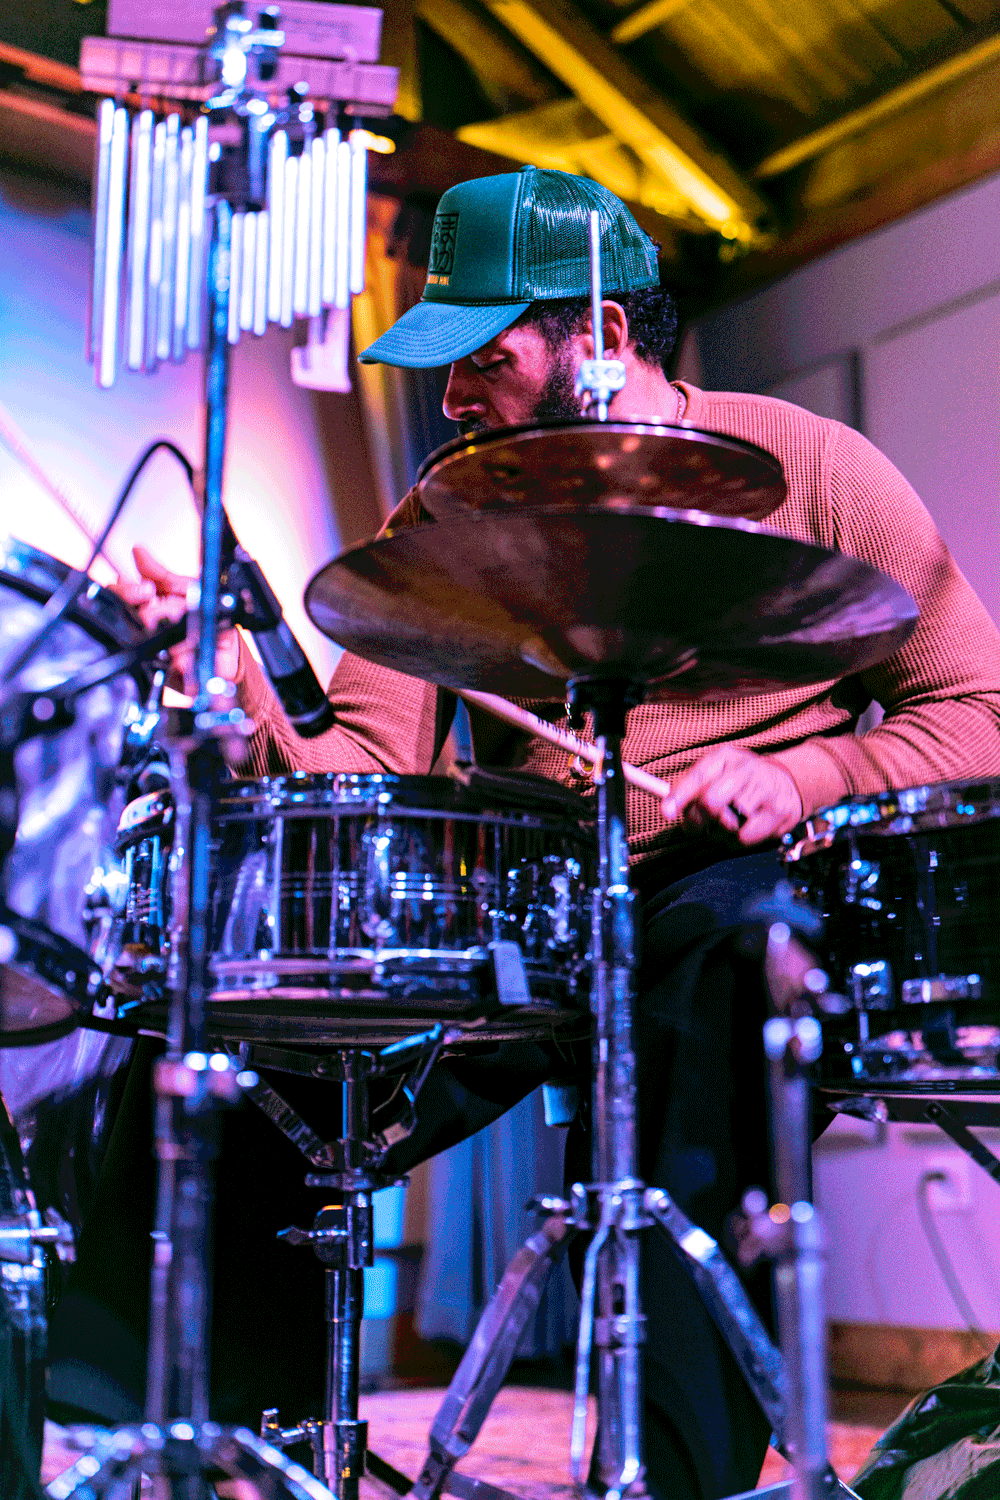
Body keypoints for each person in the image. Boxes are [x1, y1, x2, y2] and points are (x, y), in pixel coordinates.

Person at [50, 168, 1000, 1498]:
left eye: (483, 358)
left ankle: (670, 1476)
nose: (451, 398)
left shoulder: (816, 470)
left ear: (601, 336)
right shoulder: (448, 510)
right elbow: (365, 764)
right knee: (247, 1049)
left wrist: (814, 774)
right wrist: (242, 700)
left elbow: (979, 710)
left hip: (736, 892)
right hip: (529, 907)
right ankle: (229, 1453)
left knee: (708, 983)